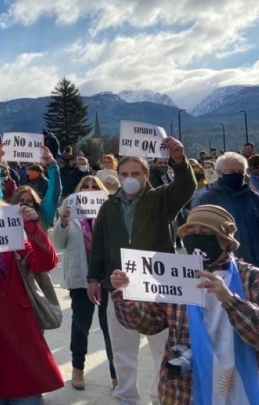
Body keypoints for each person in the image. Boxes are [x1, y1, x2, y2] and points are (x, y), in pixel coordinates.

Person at [109, 205, 259, 405]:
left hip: (238, 390)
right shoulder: (176, 274)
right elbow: (149, 323)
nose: (196, 237)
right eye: (190, 232)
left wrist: (229, 299)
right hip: (184, 390)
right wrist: (126, 295)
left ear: (225, 240)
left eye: (205, 232)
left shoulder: (251, 277)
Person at [87, 136, 196, 405]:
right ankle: (126, 397)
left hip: (157, 288)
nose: (129, 178)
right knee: (123, 351)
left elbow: (186, 187)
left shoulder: (162, 199)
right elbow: (100, 245)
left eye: (135, 173)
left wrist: (179, 161)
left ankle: (158, 397)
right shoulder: (108, 206)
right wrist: (93, 278)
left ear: (146, 174)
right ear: (118, 176)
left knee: (161, 349)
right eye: (124, 174)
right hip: (119, 287)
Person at [0, 194, 63, 404]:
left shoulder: (17, 244)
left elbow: (46, 263)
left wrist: (33, 228)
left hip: (23, 335)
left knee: (28, 396)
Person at [51, 176, 116, 391]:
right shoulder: (69, 209)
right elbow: (58, 243)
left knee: (110, 327)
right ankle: (77, 368)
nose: (89, 190)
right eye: (85, 186)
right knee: (81, 324)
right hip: (80, 278)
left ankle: (116, 373)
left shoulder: (109, 210)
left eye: (94, 187)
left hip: (107, 278)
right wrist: (62, 222)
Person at [198, 152, 259, 271]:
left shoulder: (256, 198)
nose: (237, 175)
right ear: (219, 172)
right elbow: (201, 235)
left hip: (258, 267)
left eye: (241, 172)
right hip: (225, 269)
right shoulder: (207, 198)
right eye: (231, 171)